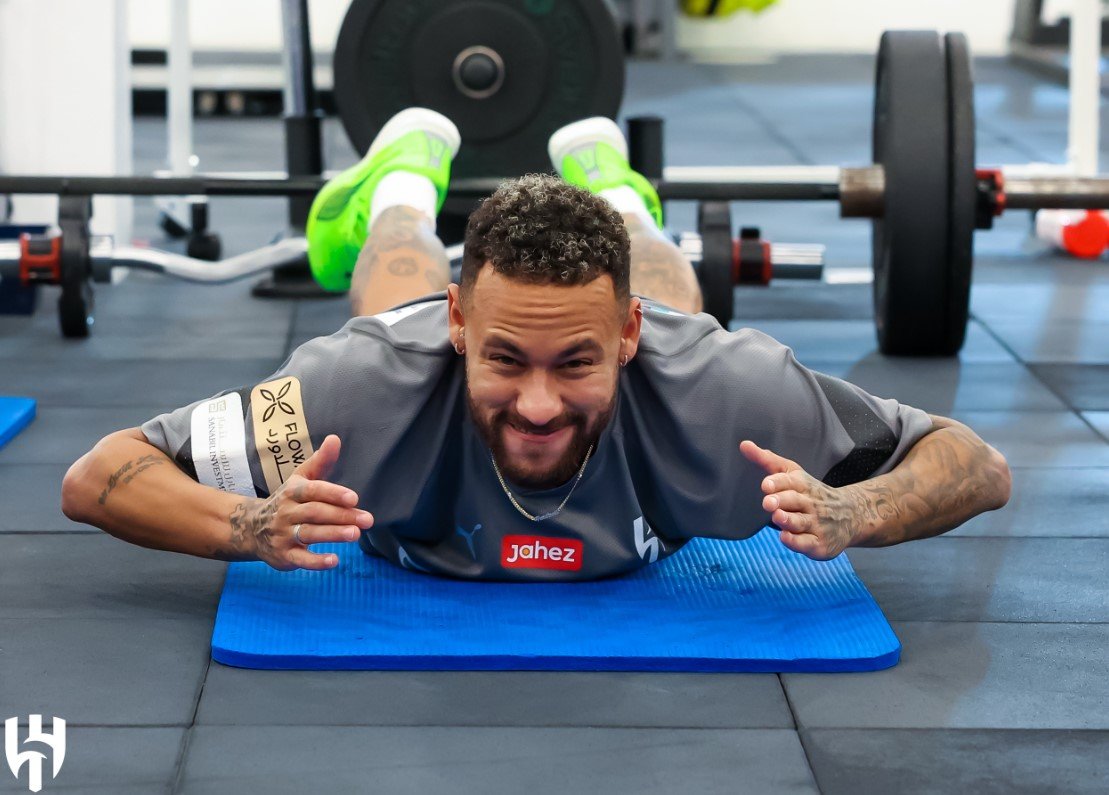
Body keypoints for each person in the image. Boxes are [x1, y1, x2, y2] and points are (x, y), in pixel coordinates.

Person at [61, 109, 1011, 581]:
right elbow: (101, 474)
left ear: (625, 337)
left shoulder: (739, 396)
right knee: (390, 276)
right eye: (506, 359)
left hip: (675, 348)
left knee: (674, 291)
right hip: (403, 345)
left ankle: (615, 187)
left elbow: (972, 461)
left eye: (578, 361)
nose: (540, 403)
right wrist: (248, 527)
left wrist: (858, 512)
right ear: (461, 326)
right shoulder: (347, 397)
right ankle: (403, 174)